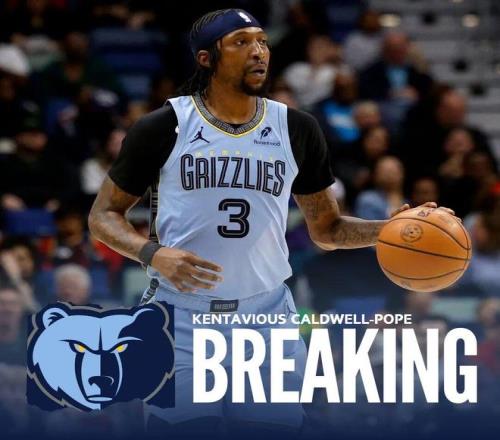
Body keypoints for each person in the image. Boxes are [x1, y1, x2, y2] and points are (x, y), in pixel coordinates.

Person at [88, 8, 453, 436]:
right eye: (241, 42)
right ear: (206, 58)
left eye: (262, 41)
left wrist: (388, 230)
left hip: (265, 318)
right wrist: (152, 253)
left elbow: (327, 230)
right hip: (179, 318)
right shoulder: (165, 126)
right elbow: (102, 216)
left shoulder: (296, 128)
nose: (258, 51)